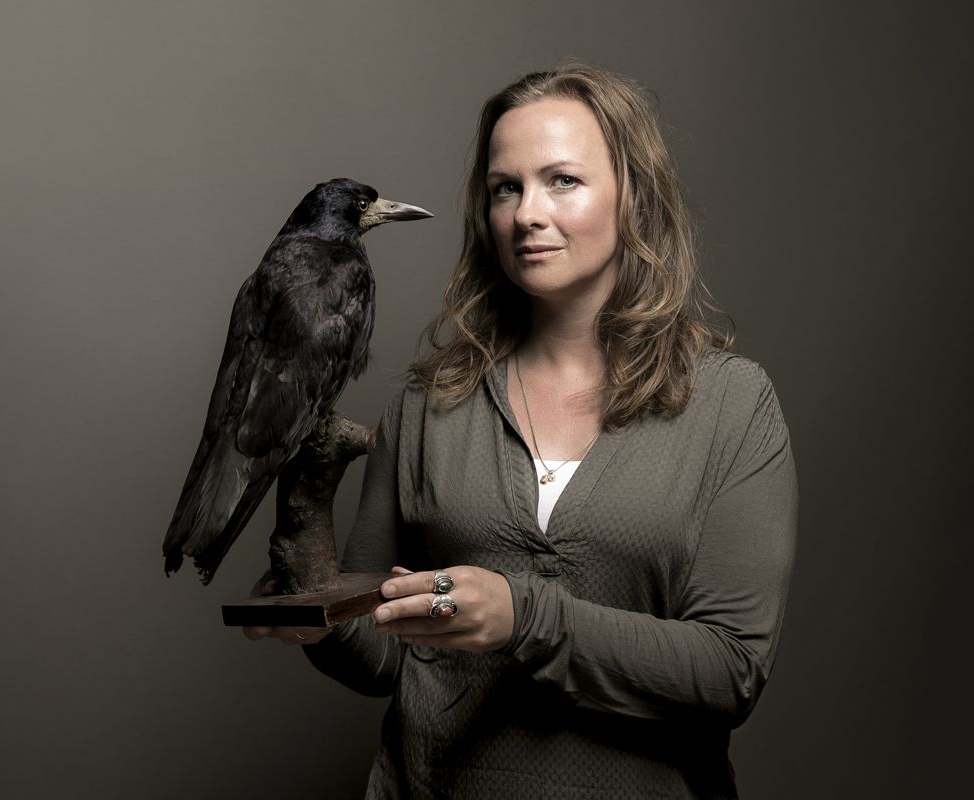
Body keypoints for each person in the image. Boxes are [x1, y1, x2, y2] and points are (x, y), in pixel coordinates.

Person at [248, 62, 796, 799]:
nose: (526, 214)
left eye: (562, 181)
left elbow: (730, 673)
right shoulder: (428, 402)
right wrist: (319, 615)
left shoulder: (733, 406)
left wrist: (522, 617)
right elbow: (386, 652)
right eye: (506, 187)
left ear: (634, 196)